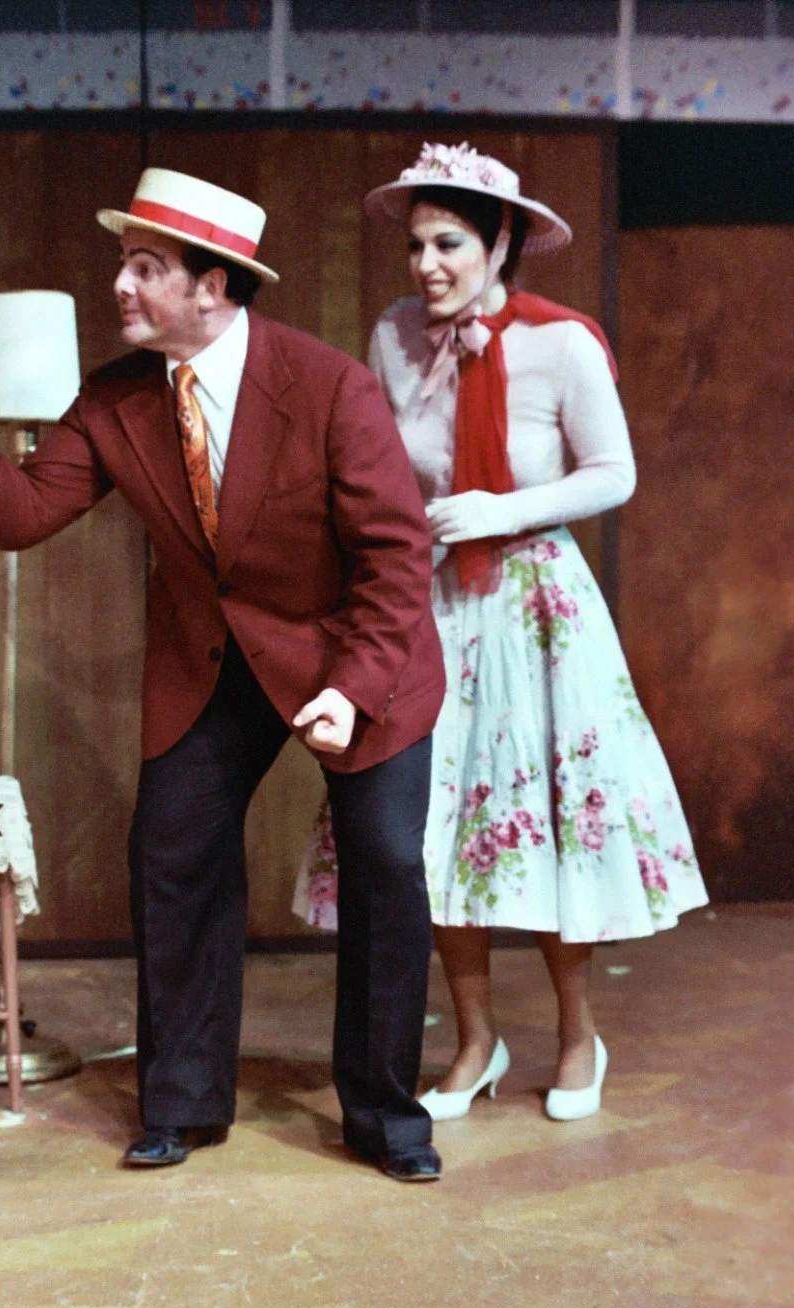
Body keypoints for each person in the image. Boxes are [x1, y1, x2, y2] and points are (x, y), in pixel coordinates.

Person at [0, 167, 447, 1181]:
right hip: (211, 662)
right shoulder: (114, 400)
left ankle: (384, 1119)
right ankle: (182, 1105)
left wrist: (350, 687)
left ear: (214, 287)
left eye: (145, 267)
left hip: (354, 652)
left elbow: (395, 559)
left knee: (383, 863)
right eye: (122, 262)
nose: (121, 284)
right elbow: (21, 515)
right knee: (173, 858)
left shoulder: (329, 386)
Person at [295, 142, 707, 1123]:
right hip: (425, 605)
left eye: (448, 244)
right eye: (416, 245)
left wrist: (499, 511)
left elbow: (613, 473)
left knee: (547, 824)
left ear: (500, 243)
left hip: (531, 607)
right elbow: (381, 462)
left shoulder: (563, 343)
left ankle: (576, 1035)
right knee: (434, 831)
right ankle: (475, 1039)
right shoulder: (395, 335)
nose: (425, 264)